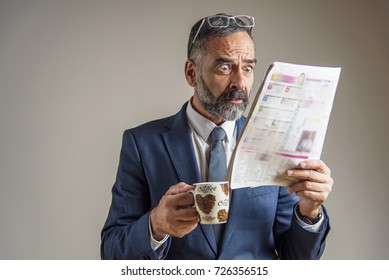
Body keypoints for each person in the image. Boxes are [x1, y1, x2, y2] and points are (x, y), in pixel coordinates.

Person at [101, 13, 332, 260]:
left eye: (248, 68)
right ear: (191, 73)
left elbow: (296, 260)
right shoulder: (142, 144)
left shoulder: (275, 143)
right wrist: (155, 225)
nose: (240, 82)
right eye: (224, 67)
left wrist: (309, 212)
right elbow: (112, 252)